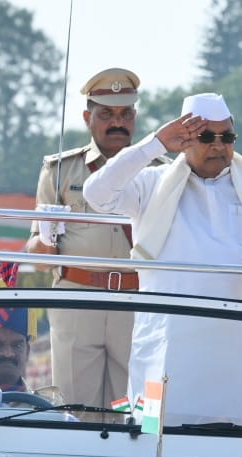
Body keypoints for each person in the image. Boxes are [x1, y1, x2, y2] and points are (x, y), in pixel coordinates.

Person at [83, 91, 242, 427]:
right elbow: (96, 194)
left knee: (237, 450)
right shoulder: (151, 184)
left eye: (227, 137)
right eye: (207, 137)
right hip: (165, 348)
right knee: (151, 442)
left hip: (238, 353)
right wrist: (155, 144)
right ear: (184, 139)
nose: (219, 145)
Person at [28, 68, 167, 412]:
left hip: (139, 301)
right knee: (76, 410)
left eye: (125, 114)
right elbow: (34, 254)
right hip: (78, 299)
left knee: (139, 412)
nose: (117, 122)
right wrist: (46, 237)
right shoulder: (61, 170)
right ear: (88, 117)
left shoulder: (160, 171)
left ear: (135, 117)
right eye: (106, 114)